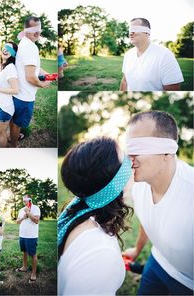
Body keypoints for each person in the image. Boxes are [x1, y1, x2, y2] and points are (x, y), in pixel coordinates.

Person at [124, 111, 194, 295]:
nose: (129, 156)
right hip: (157, 263)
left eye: (139, 146)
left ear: (167, 150)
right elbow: (148, 219)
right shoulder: (141, 186)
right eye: (128, 147)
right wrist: (137, 249)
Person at [58, 137, 134, 295]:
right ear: (114, 184)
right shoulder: (99, 252)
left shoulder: (82, 211)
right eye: (125, 159)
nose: (132, 161)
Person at [10, 16, 51, 148]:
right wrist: (42, 84)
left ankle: (12, 137)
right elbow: (30, 77)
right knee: (18, 123)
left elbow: (29, 67)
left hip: (17, 92)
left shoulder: (23, 42)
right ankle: (13, 146)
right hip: (25, 95)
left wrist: (45, 74)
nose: (38, 32)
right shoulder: (31, 47)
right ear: (26, 29)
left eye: (39, 29)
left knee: (14, 119)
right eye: (34, 29)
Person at [120, 18, 184, 91]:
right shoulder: (128, 54)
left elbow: (173, 90)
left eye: (135, 29)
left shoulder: (164, 55)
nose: (131, 33)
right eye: (130, 30)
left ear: (147, 32)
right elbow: (125, 81)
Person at [0, 42, 19, 147]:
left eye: (9, 49)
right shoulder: (2, 66)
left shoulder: (10, 68)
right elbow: (0, 81)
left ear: (13, 54)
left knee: (2, 133)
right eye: (5, 48)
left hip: (4, 107)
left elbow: (15, 90)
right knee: (1, 131)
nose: (6, 50)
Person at [16, 195, 41, 283]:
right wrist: (23, 216)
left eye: (26, 200)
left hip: (31, 236)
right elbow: (17, 221)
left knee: (33, 254)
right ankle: (24, 267)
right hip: (22, 235)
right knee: (24, 252)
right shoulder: (20, 210)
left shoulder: (35, 208)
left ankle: (33, 273)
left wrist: (28, 212)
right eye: (23, 200)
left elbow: (36, 220)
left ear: (30, 200)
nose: (24, 201)